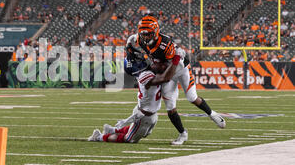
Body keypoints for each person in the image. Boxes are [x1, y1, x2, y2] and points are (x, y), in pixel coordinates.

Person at [126, 16, 226, 145]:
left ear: (156, 32)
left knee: (191, 97)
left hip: (179, 68)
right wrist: (129, 48)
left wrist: (160, 69)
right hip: (167, 70)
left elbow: (169, 73)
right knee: (170, 107)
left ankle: (212, 114)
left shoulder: (165, 44)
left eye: (149, 34)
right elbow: (131, 39)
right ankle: (183, 134)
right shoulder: (141, 38)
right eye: (143, 34)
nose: (145, 37)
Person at [88, 57, 177, 143]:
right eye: (161, 64)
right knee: (129, 139)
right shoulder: (145, 76)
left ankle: (112, 130)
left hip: (150, 114)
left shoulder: (153, 73)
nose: (164, 67)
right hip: (143, 116)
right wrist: (177, 58)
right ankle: (99, 137)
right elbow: (165, 78)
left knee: (142, 132)